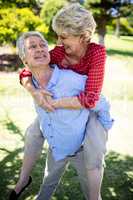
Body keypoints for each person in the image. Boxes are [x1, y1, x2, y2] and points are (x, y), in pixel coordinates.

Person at [12, 4, 113, 200]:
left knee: (94, 153)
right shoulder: (60, 52)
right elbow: (28, 67)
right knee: (34, 131)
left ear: (83, 36)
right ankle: (23, 180)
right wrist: (35, 93)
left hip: (91, 106)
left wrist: (52, 103)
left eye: (63, 36)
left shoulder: (97, 53)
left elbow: (91, 99)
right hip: (69, 104)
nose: (58, 41)